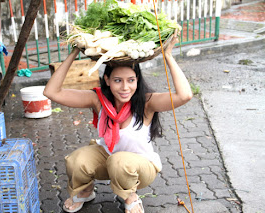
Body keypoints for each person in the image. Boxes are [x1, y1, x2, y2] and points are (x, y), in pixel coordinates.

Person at [43, 31, 193, 213]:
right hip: (108, 158)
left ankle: (131, 197)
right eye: (117, 81)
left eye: (131, 80)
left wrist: (168, 55)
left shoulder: (146, 102)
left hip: (140, 167)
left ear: (137, 80)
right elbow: (52, 92)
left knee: (120, 162)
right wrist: (74, 52)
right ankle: (85, 192)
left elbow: (185, 95)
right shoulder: (98, 100)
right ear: (107, 80)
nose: (125, 87)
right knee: (77, 161)